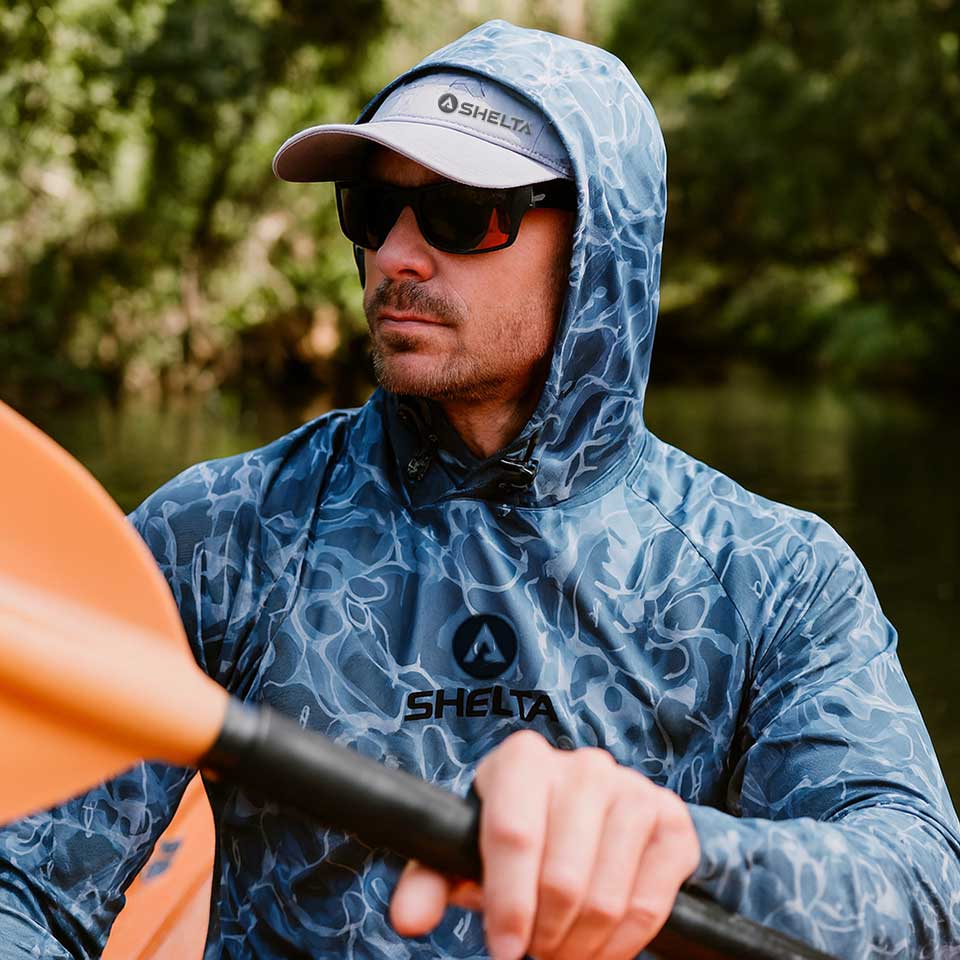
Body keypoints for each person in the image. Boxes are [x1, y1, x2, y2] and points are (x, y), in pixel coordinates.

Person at [1, 18, 958, 960]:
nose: (398, 256)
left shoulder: (775, 574)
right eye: (374, 208)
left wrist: (681, 850)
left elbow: (923, 897)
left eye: (464, 212)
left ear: (601, 244)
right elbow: (23, 887)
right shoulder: (221, 532)